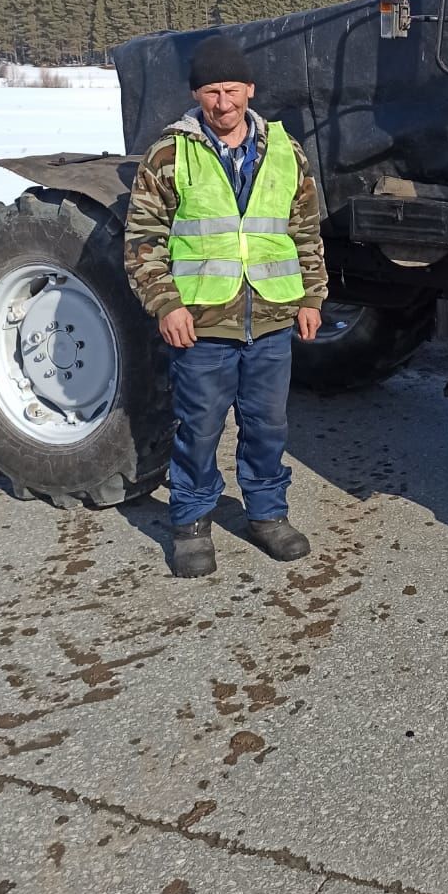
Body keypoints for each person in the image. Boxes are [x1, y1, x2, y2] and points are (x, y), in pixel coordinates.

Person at [124, 35, 327, 578]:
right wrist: (166, 303)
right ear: (196, 94)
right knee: (199, 426)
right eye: (211, 91)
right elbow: (144, 236)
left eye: (231, 89)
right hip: (203, 321)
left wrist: (311, 296)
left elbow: (304, 231)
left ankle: (267, 514)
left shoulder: (285, 151)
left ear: (249, 90)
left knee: (267, 425)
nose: (223, 102)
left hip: (271, 316)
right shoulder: (170, 152)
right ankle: (190, 521)